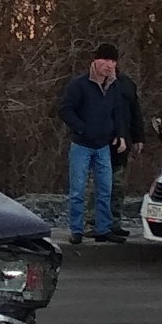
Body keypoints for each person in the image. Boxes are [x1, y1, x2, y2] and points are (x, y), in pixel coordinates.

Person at [56, 43, 143, 243]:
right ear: (95, 61)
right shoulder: (79, 85)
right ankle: (76, 229)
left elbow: (118, 112)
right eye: (105, 60)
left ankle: (104, 228)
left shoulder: (114, 86)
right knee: (78, 189)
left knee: (106, 188)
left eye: (113, 61)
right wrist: (81, 128)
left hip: (104, 144)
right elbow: (64, 109)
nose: (109, 65)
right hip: (82, 145)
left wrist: (120, 134)